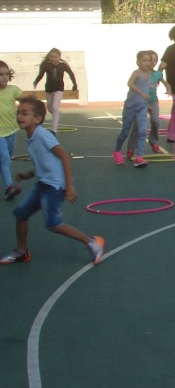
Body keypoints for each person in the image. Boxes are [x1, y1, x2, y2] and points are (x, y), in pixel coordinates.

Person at [0, 97, 104, 266]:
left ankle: (92, 242)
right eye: (18, 113)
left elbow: (64, 157)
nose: (19, 116)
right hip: (42, 184)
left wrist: (69, 186)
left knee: (53, 224)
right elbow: (46, 163)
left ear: (37, 119)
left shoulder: (43, 135)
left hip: (54, 187)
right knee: (20, 214)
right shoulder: (31, 137)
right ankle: (21, 252)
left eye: (25, 113)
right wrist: (27, 175)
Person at [112, 51, 154, 168]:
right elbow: (129, 83)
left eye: (149, 61)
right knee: (125, 132)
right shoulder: (136, 73)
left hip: (142, 108)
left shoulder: (150, 75)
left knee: (142, 132)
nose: (147, 63)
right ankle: (117, 151)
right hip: (130, 107)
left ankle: (139, 157)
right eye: (144, 60)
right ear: (138, 62)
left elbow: (146, 91)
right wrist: (140, 93)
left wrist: (147, 105)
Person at [126, 49, 164, 159]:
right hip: (141, 101)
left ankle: (154, 142)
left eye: (155, 60)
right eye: (150, 60)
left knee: (155, 121)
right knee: (137, 125)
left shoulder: (157, 74)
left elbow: (165, 83)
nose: (152, 62)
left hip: (153, 101)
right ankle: (131, 147)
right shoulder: (140, 73)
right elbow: (132, 85)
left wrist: (169, 88)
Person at [32, 48, 78, 133]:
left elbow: (71, 74)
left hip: (59, 89)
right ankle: (58, 114)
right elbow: (41, 74)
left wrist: (74, 84)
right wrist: (36, 81)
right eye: (51, 57)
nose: (53, 58)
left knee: (54, 107)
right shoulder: (46, 65)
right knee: (50, 109)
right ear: (49, 57)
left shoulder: (63, 65)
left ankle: (54, 129)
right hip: (48, 89)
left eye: (55, 57)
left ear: (59, 57)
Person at [0, 61, 22, 201]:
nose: (4, 77)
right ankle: (9, 187)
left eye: (6, 74)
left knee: (5, 159)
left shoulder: (13, 90)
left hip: (12, 130)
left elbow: (25, 101)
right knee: (5, 158)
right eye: (0, 74)